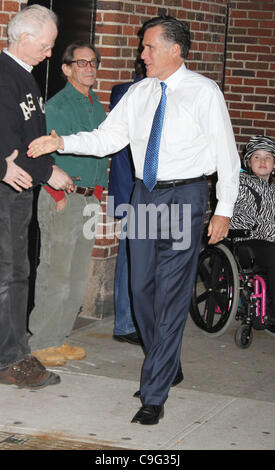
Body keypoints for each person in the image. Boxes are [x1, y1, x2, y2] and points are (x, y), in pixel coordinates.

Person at [27, 15, 240, 423]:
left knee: (173, 294)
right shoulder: (140, 93)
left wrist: (224, 210)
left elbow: (227, 156)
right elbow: (107, 137)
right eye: (142, 48)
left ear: (175, 50)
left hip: (185, 196)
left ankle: (154, 394)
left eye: (149, 47)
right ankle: (167, 359)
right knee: (140, 290)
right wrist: (62, 141)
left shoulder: (203, 92)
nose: (141, 55)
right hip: (144, 197)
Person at [0, 4, 73, 389]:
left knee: (16, 272)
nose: (49, 54)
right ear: (24, 39)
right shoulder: (3, 74)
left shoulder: (25, 76)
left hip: (19, 188)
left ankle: (12, 351)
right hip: (5, 189)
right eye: (45, 46)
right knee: (10, 275)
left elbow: (29, 140)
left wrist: (47, 170)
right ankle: (9, 359)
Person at [28, 41, 109, 367]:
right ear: (66, 68)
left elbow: (102, 150)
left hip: (89, 201)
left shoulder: (96, 105)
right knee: (55, 275)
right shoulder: (57, 106)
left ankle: (59, 338)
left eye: (93, 63)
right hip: (63, 199)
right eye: (82, 63)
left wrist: (99, 192)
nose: (89, 69)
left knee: (76, 278)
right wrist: (58, 195)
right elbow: (41, 153)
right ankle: (42, 341)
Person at [108, 59, 144, 346]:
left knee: (138, 258)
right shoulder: (127, 93)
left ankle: (132, 320)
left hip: (151, 192)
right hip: (134, 191)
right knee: (130, 259)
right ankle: (124, 322)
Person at [230, 135, 275, 323]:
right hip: (247, 240)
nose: (263, 161)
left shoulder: (272, 188)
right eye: (257, 157)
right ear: (248, 162)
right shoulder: (241, 184)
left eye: (268, 157)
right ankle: (272, 310)